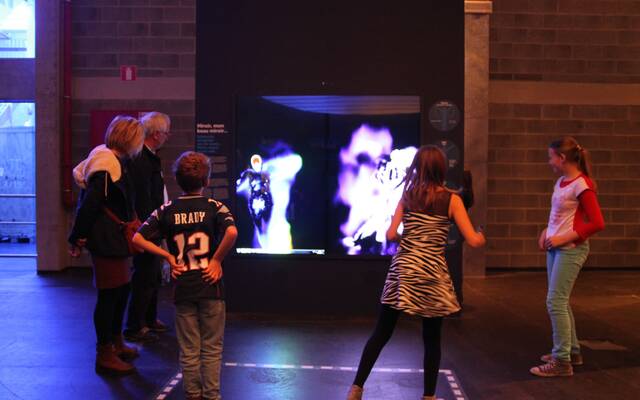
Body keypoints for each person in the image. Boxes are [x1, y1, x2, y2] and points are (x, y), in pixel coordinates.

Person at [346, 145, 485, 400]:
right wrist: (481, 235)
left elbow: (389, 235)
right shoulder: (452, 200)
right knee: (432, 338)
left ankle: (356, 388)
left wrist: (408, 238)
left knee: (381, 332)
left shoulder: (408, 196)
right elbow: (473, 241)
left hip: (404, 272)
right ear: (442, 168)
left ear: (417, 168)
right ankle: (429, 397)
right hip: (431, 274)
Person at [132, 151, 237, 400]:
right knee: (212, 348)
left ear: (177, 181)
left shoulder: (166, 210)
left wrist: (168, 257)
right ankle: (212, 395)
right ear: (207, 181)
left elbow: (137, 238)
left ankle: (193, 394)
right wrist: (215, 260)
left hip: (184, 289)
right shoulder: (215, 207)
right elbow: (231, 232)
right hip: (211, 287)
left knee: (189, 349)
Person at [68, 115, 145, 375]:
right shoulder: (105, 162)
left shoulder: (106, 157)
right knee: (109, 296)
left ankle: (115, 342)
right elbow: (90, 204)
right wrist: (76, 236)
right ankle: (105, 353)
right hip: (106, 240)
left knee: (120, 291)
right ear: (131, 139)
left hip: (113, 239)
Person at [530, 137, 605, 378]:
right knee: (560, 300)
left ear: (562, 158)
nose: (549, 161)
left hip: (570, 249)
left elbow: (596, 223)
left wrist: (563, 239)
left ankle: (562, 361)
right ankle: (571, 351)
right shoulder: (562, 182)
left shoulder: (582, 185)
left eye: (551, 157)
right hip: (556, 247)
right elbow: (558, 216)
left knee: (555, 302)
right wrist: (546, 231)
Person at [124, 111, 172, 343]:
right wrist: (149, 227)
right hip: (147, 226)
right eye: (165, 132)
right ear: (155, 134)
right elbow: (142, 196)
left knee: (152, 275)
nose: (167, 136)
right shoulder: (142, 159)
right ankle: (134, 325)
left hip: (152, 224)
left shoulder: (150, 156)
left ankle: (149, 319)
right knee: (144, 275)